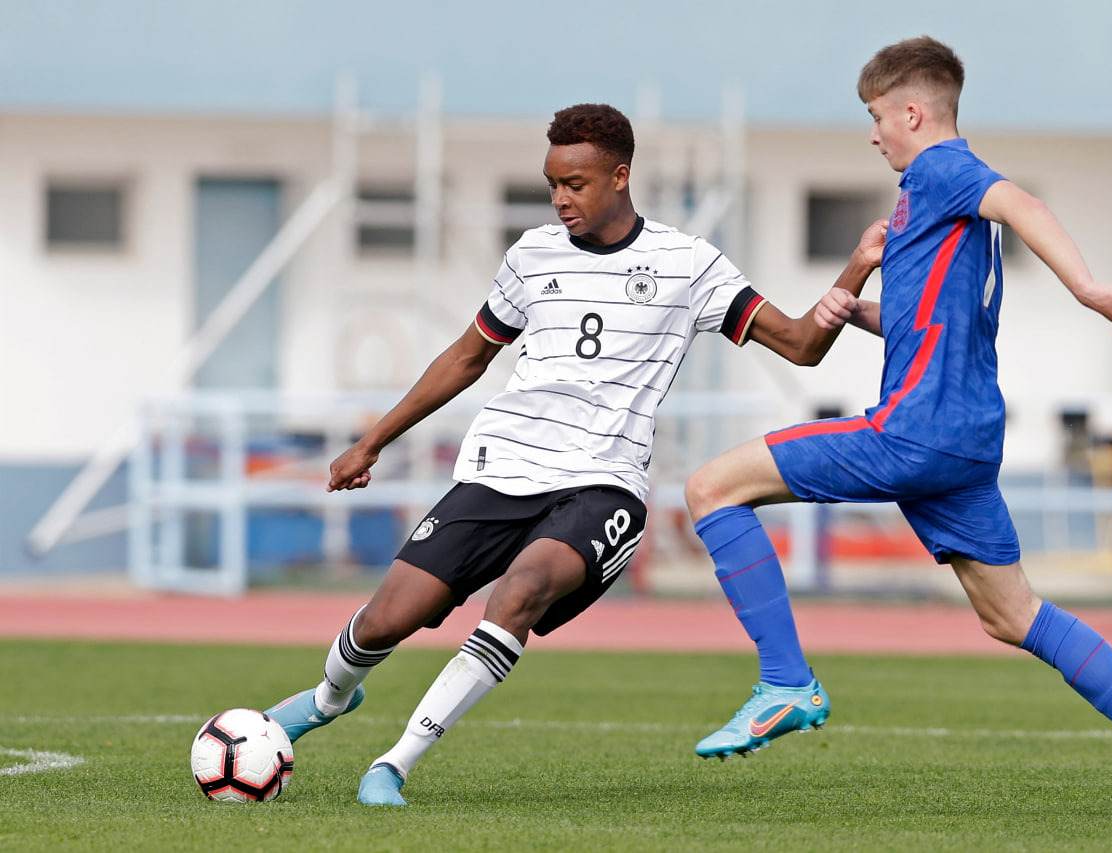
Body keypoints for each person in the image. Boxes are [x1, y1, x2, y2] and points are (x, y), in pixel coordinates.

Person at [262, 103, 887, 806]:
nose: (561, 197)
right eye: (552, 182)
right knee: (383, 620)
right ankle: (325, 699)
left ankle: (394, 763)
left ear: (620, 177)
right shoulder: (531, 255)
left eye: (577, 183)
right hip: (501, 471)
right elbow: (468, 356)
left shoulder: (687, 263)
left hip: (602, 486)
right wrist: (373, 440)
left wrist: (858, 266)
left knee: (520, 590)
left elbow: (802, 343)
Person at [684, 37, 1112, 827]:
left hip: (914, 432)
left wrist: (1088, 288)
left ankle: (786, 682)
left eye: (876, 117)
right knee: (1014, 615)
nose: (874, 134)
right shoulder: (928, 212)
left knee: (710, 485)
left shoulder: (938, 170)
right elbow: (940, 326)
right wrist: (862, 308)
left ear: (912, 112)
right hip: (964, 443)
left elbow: (1022, 202)